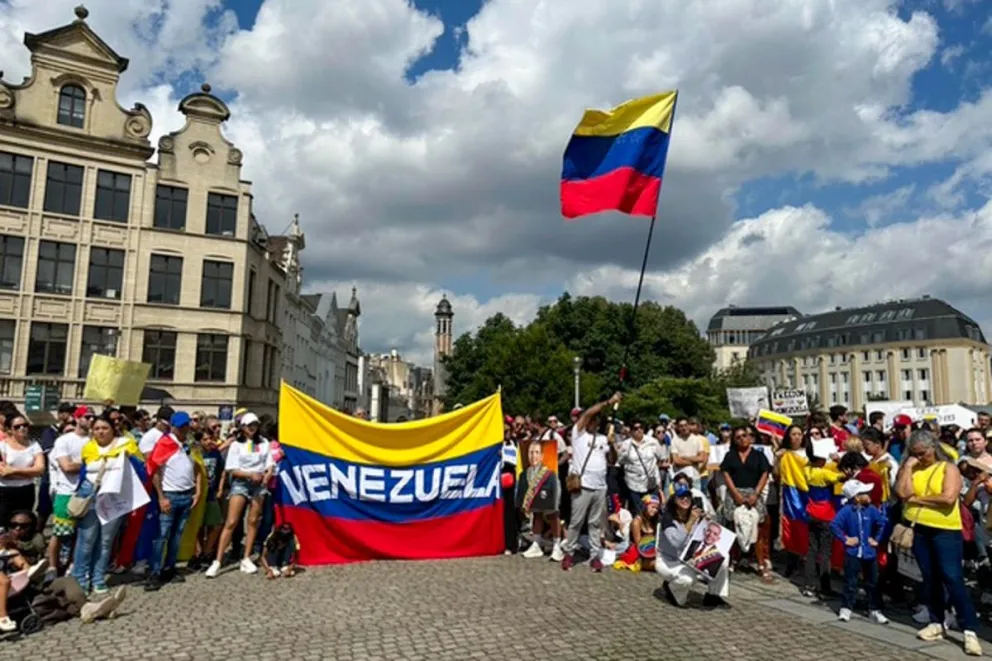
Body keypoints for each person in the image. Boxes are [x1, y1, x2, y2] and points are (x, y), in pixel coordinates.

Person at [896, 430, 982, 656]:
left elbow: (948, 498)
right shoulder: (913, 467)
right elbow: (902, 492)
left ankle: (969, 629)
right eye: (914, 454)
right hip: (920, 528)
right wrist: (906, 467)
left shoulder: (948, 468)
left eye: (922, 453)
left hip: (945, 529)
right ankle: (936, 620)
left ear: (933, 448)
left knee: (952, 577)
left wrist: (917, 499)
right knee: (929, 576)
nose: (919, 457)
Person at [71, 415, 143, 594]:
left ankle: (98, 577)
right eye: (96, 429)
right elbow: (83, 472)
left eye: (104, 428)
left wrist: (130, 459)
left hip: (113, 496)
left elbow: (141, 469)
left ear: (113, 429)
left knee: (105, 541)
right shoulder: (88, 447)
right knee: (86, 539)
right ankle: (80, 578)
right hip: (91, 494)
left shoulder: (126, 444)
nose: (100, 432)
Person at [206, 412, 276, 578]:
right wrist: (250, 475)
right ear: (243, 427)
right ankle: (217, 561)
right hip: (242, 483)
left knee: (252, 521)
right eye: (249, 425)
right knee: (231, 521)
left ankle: (246, 557)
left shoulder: (263, 442)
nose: (252, 428)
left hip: (259, 485)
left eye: (255, 425)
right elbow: (232, 468)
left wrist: (267, 474)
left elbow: (269, 462)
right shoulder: (236, 445)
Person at [561, 393, 621, 573]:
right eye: (592, 419)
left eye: (597, 420)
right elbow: (587, 413)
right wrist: (609, 402)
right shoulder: (578, 434)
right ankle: (569, 553)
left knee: (595, 523)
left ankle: (595, 556)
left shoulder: (602, 439)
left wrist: (613, 445)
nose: (594, 421)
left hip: (600, 486)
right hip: (583, 484)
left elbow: (611, 459)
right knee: (577, 521)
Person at [144, 412, 201, 591]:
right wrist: (161, 496)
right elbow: (154, 471)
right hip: (170, 495)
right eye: (182, 426)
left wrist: (197, 491)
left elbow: (197, 467)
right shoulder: (165, 443)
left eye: (187, 426)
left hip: (187, 494)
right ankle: (155, 571)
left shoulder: (189, 445)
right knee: (162, 535)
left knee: (177, 535)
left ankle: (170, 567)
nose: (185, 429)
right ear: (173, 427)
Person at [656, 483, 729, 609]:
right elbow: (677, 542)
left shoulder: (696, 513)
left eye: (688, 496)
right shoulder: (667, 518)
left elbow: (709, 537)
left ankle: (713, 595)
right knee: (688, 581)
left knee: (724, 556)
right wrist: (691, 521)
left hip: (690, 558)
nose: (685, 499)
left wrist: (707, 521)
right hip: (669, 560)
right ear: (674, 499)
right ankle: (671, 587)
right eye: (681, 497)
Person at [720, 424, 772, 582]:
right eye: (738, 437)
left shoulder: (758, 456)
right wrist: (735, 493)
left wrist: (756, 493)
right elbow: (726, 473)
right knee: (733, 526)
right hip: (735, 493)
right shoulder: (730, 455)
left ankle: (761, 563)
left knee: (757, 528)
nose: (743, 439)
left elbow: (765, 473)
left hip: (753, 493)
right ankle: (732, 560)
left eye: (745, 436)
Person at [831, 480, 888, 624]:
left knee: (873, 582)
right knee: (851, 581)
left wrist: (877, 539)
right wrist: (845, 539)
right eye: (865, 493)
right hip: (853, 553)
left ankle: (874, 609)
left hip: (869, 553)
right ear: (856, 497)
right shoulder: (846, 510)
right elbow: (834, 525)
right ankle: (846, 607)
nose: (869, 495)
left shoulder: (872, 510)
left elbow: (882, 523)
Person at [47, 408, 91, 576]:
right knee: (59, 532)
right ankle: (52, 566)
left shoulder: (93, 442)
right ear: (77, 418)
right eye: (87, 416)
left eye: (93, 417)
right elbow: (67, 467)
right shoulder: (64, 440)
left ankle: (72, 564)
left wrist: (78, 465)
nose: (91, 420)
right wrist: (87, 465)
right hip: (65, 491)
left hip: (86, 492)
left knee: (80, 533)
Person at [517, 441, 562, 561]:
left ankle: (557, 545)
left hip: (549, 499)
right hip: (536, 502)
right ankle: (536, 543)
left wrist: (556, 500)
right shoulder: (525, 474)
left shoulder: (549, 474)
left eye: (536, 452)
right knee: (537, 515)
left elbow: (555, 487)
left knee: (553, 515)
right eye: (531, 452)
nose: (533, 456)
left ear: (542, 456)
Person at [0, 413, 45, 527]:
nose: (22, 428)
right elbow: (4, 472)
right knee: (3, 525)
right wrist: (29, 471)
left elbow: (40, 469)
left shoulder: (34, 446)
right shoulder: (2, 446)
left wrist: (14, 471)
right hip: (5, 491)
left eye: (25, 425)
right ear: (9, 430)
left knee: (24, 525)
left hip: (26, 491)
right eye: (17, 426)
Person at [616, 420, 664, 514]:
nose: (639, 430)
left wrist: (658, 480)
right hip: (634, 484)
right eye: (635, 428)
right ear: (631, 431)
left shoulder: (652, 442)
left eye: (641, 427)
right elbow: (620, 462)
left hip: (651, 483)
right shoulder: (625, 444)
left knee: (652, 512)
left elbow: (660, 458)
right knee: (639, 512)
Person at [613, 494, 660, 572]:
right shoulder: (636, 522)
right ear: (645, 506)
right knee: (658, 565)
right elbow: (640, 545)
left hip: (651, 552)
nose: (655, 510)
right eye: (653, 507)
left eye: (657, 508)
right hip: (638, 554)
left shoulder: (654, 521)